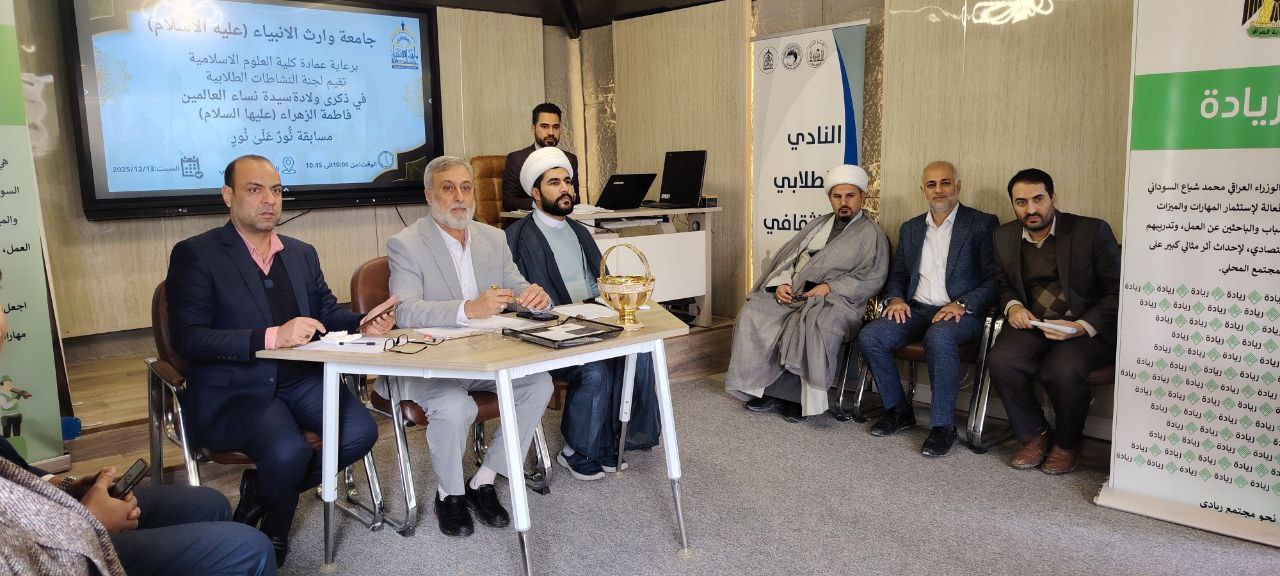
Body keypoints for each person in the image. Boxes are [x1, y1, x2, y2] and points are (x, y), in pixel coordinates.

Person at [166, 155, 389, 565]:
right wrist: (271, 336)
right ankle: (274, 529)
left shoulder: (302, 253)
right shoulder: (196, 254)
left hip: (302, 378)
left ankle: (262, 491)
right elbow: (188, 338)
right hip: (240, 384)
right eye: (254, 190)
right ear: (228, 195)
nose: (269, 200)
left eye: (276, 190)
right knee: (289, 452)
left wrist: (363, 323)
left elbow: (325, 314)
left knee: (359, 433)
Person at [0, 273, 275, 575]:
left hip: (46, 512)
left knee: (208, 503)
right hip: (56, 552)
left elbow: (14, 473)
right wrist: (85, 522)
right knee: (250, 549)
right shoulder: (196, 263)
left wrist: (69, 487)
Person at [383, 155, 555, 537]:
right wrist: (467, 309)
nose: (459, 197)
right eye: (448, 189)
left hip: (483, 359)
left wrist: (534, 297)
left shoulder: (493, 238)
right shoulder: (406, 243)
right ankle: (449, 494)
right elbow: (405, 311)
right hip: (431, 365)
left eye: (466, 188)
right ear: (429, 196)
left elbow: (516, 286)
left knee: (539, 383)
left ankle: (484, 479)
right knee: (453, 405)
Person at [504, 147, 661, 481]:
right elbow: (513, 302)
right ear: (535, 192)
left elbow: (600, 283)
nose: (565, 189)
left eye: (568, 182)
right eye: (554, 183)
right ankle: (577, 450)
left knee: (640, 351)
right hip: (549, 332)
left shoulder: (580, 231)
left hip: (592, 320)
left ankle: (615, 438)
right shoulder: (517, 237)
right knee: (595, 368)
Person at [725, 164, 891, 422]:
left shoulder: (872, 234)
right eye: (837, 196)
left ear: (862, 196)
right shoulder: (818, 225)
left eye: (850, 196)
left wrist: (830, 288)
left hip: (837, 300)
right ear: (830, 198)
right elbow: (788, 259)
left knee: (815, 324)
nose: (843, 202)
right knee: (753, 311)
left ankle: (798, 400)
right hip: (796, 292)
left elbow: (872, 278)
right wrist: (781, 284)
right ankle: (767, 390)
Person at [857, 161, 999, 457]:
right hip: (916, 309)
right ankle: (898, 410)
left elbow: (995, 279)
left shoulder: (981, 224)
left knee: (940, 337)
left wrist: (963, 304)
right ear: (923, 190)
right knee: (871, 336)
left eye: (945, 183)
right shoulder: (911, 228)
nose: (939, 190)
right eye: (931, 185)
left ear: (958, 186)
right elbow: (898, 275)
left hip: (959, 312)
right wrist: (895, 299)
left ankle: (943, 427)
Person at [986, 168, 1120, 475]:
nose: (1030, 209)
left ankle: (1068, 443)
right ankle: (1035, 434)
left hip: (1084, 327)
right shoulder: (1004, 236)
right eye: (1021, 202)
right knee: (1002, 360)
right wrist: (1014, 307)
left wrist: (1080, 326)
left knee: (1061, 369)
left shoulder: (1091, 231)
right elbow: (1004, 284)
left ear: (1053, 198)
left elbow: (1116, 291)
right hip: (1035, 324)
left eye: (1038, 199)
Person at [501, 102, 580, 211]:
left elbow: (576, 199)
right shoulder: (517, 159)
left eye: (556, 127)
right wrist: (543, 202)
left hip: (561, 218)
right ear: (533, 128)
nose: (551, 132)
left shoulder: (570, 159)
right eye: (544, 126)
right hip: (528, 219)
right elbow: (508, 202)